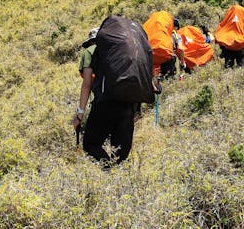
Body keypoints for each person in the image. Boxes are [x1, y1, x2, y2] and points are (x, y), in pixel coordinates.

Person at [72, 17, 153, 166]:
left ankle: (109, 172)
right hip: (129, 104)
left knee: (91, 145)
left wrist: (80, 113)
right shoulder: (128, 51)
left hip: (105, 103)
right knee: (120, 154)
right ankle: (119, 178)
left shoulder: (90, 51)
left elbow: (87, 84)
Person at [213, 3, 244, 67]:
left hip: (228, 48)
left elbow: (220, 30)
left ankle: (227, 73)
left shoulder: (227, 21)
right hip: (240, 48)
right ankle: (240, 75)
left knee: (228, 66)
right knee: (240, 65)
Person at [143, 10, 180, 79]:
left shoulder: (156, 32)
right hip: (167, 56)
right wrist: (182, 62)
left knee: (154, 77)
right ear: (175, 27)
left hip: (150, 55)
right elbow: (180, 49)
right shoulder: (175, 35)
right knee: (168, 78)